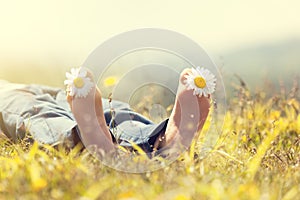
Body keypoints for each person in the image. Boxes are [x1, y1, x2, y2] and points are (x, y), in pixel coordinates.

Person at [0, 68, 211, 157]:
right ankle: (79, 138)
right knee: (28, 108)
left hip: (24, 85)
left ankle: (162, 139)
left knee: (111, 108)